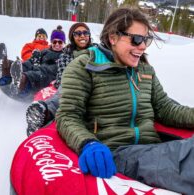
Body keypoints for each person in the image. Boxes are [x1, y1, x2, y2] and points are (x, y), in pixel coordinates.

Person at [56, 7, 194, 194]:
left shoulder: (145, 71)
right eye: (136, 39)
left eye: (146, 40)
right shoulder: (85, 67)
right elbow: (67, 115)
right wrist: (88, 143)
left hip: (152, 149)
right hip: (118, 152)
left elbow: (165, 108)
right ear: (113, 38)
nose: (143, 46)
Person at [25, 22, 94, 136]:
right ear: (73, 37)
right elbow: (63, 76)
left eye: (85, 33)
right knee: (64, 91)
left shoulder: (97, 50)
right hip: (74, 81)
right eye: (77, 33)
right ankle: (43, 115)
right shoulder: (66, 55)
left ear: (89, 35)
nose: (82, 36)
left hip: (95, 80)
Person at [0, 25, 66, 100]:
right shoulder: (45, 51)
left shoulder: (64, 55)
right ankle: (4, 66)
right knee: (25, 64)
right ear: (51, 42)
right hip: (38, 67)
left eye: (60, 42)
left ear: (64, 43)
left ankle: (20, 81)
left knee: (38, 74)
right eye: (54, 42)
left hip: (48, 76)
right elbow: (29, 60)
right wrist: (34, 58)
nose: (57, 44)